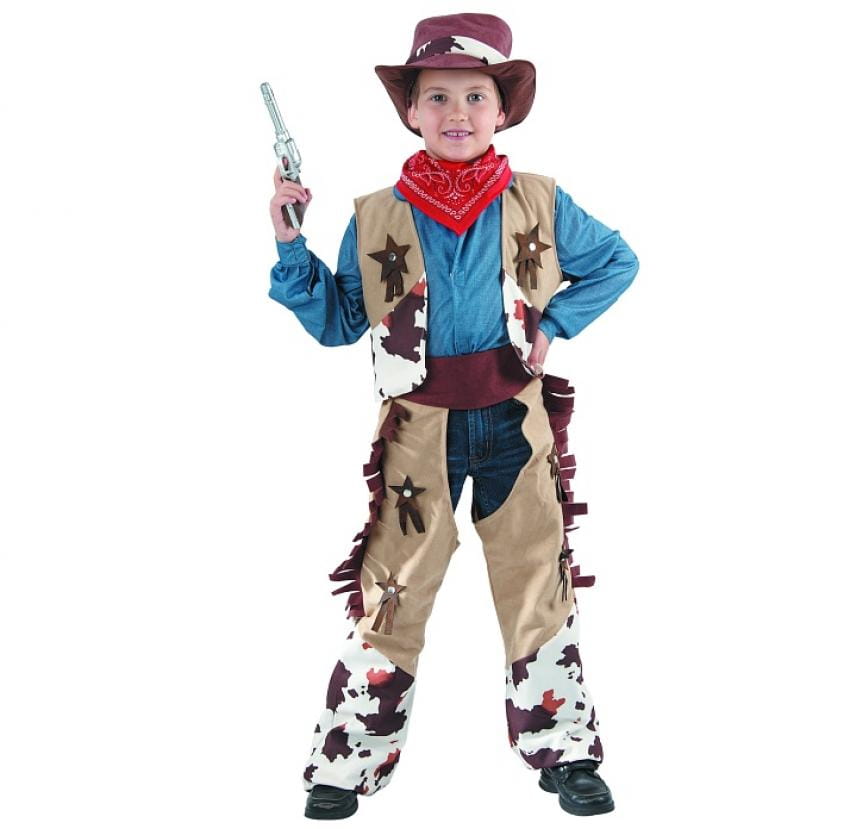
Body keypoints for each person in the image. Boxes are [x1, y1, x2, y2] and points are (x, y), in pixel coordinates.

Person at [267, 12, 639, 820]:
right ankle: (347, 759)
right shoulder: (375, 214)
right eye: (437, 96)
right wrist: (292, 246)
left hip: (513, 422)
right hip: (418, 433)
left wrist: (554, 323)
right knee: (392, 588)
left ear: (503, 110)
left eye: (476, 95)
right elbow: (340, 321)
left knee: (538, 578)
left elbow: (617, 261)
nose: (457, 112)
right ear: (411, 110)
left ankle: (566, 751)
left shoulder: (539, 199)